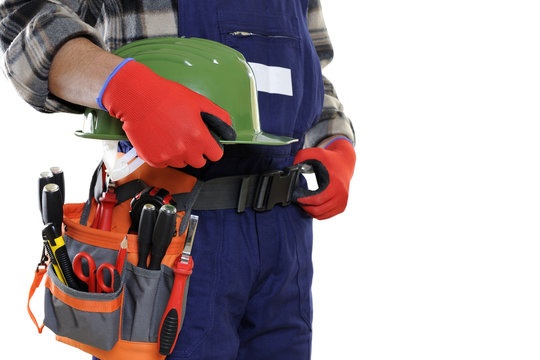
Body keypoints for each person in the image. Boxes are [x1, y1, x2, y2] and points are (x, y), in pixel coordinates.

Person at [0, 1, 356, 359]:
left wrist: (335, 139)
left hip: (286, 235)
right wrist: (124, 88)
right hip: (162, 225)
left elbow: (309, 68)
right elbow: (21, 19)